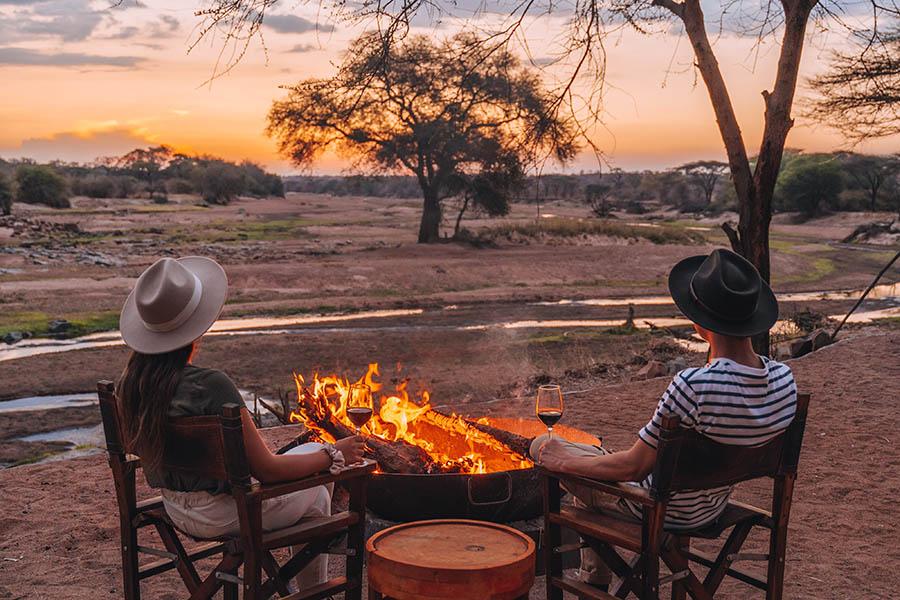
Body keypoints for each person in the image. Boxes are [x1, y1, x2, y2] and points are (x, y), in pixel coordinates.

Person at [531, 248, 798, 589]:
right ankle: (593, 578)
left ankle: (593, 584)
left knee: (546, 446)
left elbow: (632, 469)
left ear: (699, 324)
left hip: (659, 509)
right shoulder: (784, 380)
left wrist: (562, 462)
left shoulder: (693, 385)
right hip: (713, 506)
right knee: (593, 458)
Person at [116, 256, 364, 590]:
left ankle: (291, 583)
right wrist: (333, 455)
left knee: (312, 450)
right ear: (197, 328)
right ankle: (308, 591)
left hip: (174, 507)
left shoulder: (129, 385)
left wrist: (322, 451)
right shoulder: (211, 386)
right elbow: (268, 471)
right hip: (226, 513)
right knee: (319, 494)